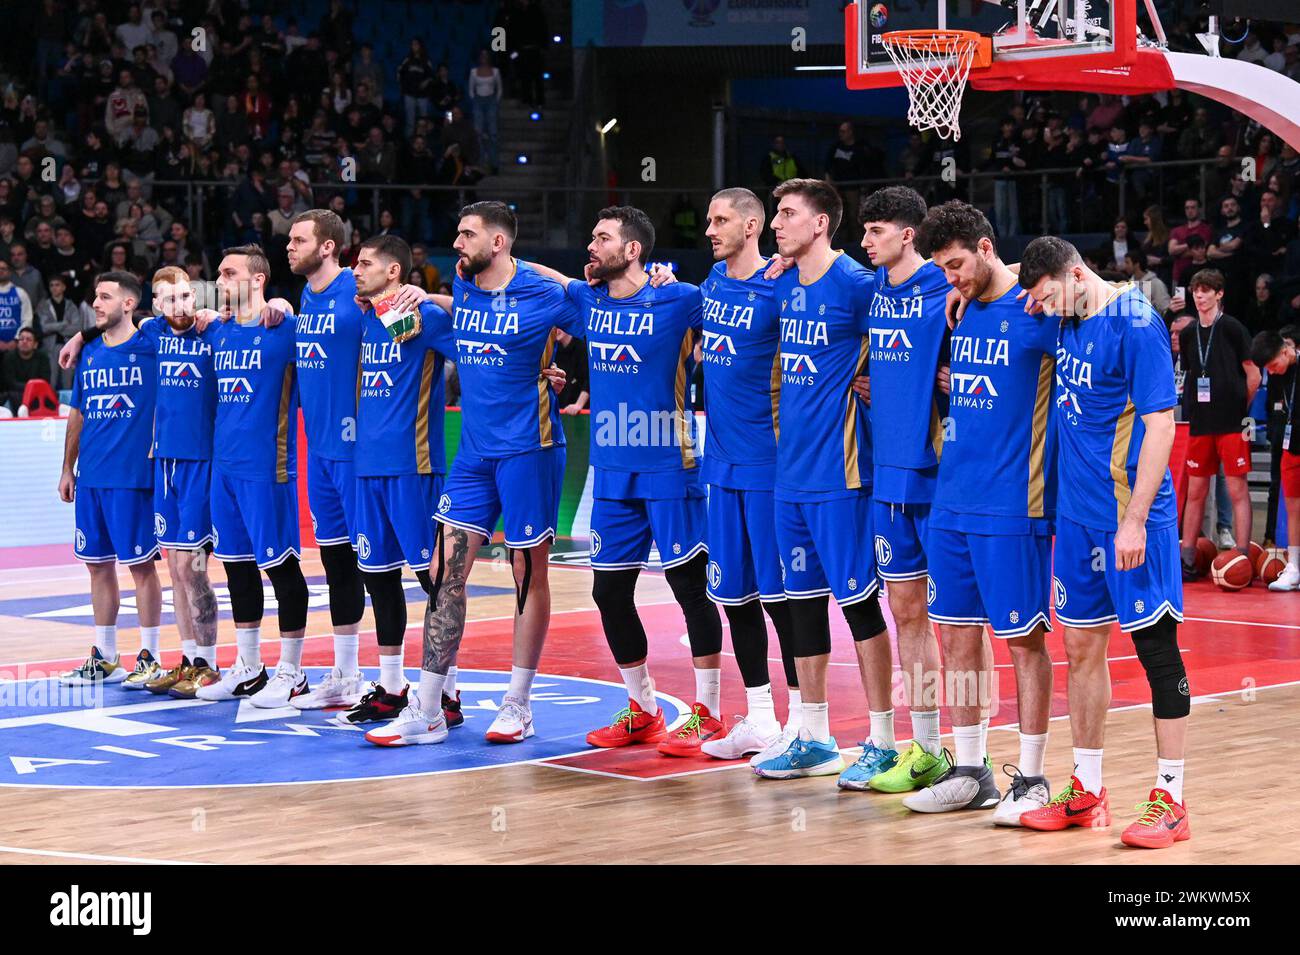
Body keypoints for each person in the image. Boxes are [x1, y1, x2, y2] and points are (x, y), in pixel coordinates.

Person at [364, 202, 578, 745]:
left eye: (467, 234)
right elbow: (369, 302)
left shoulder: (543, 293)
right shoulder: (460, 289)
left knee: (526, 575)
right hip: (474, 457)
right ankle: (431, 707)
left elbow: (603, 313)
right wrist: (415, 295)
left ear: (500, 242)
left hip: (531, 449)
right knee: (443, 574)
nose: (456, 243)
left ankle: (518, 704)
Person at [529, 207, 725, 752]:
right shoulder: (588, 302)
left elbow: (742, 322)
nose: (590, 245)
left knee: (690, 588)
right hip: (613, 476)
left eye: (602, 238)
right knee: (609, 591)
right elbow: (549, 278)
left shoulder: (680, 299)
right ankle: (642, 709)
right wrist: (503, 258)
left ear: (633, 250)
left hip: (671, 467)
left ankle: (708, 712)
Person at [1018, 237, 1190, 850]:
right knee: (1081, 649)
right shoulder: (1067, 311)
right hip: (1078, 519)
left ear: (1075, 274)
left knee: (1157, 654)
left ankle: (1171, 798)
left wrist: (1136, 520)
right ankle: (1087, 789)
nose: (1040, 310)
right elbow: (1014, 271)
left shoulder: (1135, 322)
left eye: (1045, 298)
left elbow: (1161, 426)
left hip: (1132, 518)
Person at [897, 201, 1057, 821]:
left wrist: (1013, 276)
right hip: (951, 501)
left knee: (1023, 643)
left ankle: (1035, 777)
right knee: (956, 637)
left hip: (1013, 506)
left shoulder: (1038, 308)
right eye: (942, 267)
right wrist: (965, 288)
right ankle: (971, 770)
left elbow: (1103, 299)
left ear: (988, 250)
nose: (950, 278)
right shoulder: (960, 308)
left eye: (958, 264)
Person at [751, 179, 891, 781]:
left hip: (842, 474)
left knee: (859, 607)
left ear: (821, 224)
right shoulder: (781, 283)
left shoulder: (860, 285)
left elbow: (906, 343)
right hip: (791, 478)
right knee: (802, 607)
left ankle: (883, 739)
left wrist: (877, 390)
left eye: (786, 214)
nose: (776, 224)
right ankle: (814, 734)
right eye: (775, 213)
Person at [840, 186, 954, 793]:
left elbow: (1007, 287)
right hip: (886, 478)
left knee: (959, 621)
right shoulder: (874, 291)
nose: (865, 242)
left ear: (908, 234)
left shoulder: (945, 283)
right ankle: (927, 748)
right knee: (906, 613)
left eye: (875, 231)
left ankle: (971, 756)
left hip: (939, 475)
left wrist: (958, 369)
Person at [691, 187, 801, 762]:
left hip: (770, 466)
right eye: (709, 220)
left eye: (721, 220)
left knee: (785, 599)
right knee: (736, 597)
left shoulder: (784, 283)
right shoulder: (710, 284)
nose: (710, 229)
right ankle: (760, 717)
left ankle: (804, 724)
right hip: (722, 467)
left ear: (753, 224)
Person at [331, 235, 457, 732]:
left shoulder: (426, 318)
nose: (355, 271)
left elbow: (480, 356)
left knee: (435, 583)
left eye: (365, 265)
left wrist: (541, 373)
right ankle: (390, 688)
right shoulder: (364, 317)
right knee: (379, 578)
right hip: (367, 468)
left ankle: (447, 693)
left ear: (395, 273)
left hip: (415, 468)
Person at [193, 246, 312, 707]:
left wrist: (286, 306)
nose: (220, 280)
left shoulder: (284, 329)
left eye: (229, 273)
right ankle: (248, 667)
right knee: (237, 568)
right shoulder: (217, 332)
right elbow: (162, 321)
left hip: (269, 468)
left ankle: (292, 671)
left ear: (258, 280)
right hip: (224, 469)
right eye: (219, 273)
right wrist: (81, 337)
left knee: (281, 566)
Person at [274, 210, 370, 711]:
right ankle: (346, 674)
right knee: (335, 562)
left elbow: (413, 333)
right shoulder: (303, 299)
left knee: (375, 565)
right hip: (322, 452)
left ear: (328, 246)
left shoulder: (359, 289)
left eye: (299, 239)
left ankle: (430, 684)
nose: (289, 247)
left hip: (360, 451)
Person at [58, 272, 163, 686]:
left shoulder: (151, 343)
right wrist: (68, 468)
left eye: (105, 297)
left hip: (133, 477)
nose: (96, 304)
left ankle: (150, 657)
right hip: (92, 478)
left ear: (128, 304)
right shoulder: (90, 353)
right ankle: (104, 657)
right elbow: (78, 413)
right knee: (97, 568)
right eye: (94, 297)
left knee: (141, 568)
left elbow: (182, 316)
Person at [1177, 269, 1258, 578]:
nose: (1199, 295)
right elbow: (1190, 377)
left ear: (1219, 294)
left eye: (1206, 290)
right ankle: (1186, 559)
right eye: (1196, 290)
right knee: (1195, 490)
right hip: (1200, 423)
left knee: (1237, 488)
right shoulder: (1187, 334)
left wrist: (1240, 408)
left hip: (1233, 423)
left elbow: (1252, 376)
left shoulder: (1234, 328)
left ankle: (1242, 555)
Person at [1250, 327, 1300, 588]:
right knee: (1293, 508)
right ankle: (1294, 567)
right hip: (1290, 446)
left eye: (1273, 364)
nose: (1272, 370)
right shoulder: (1279, 374)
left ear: (1286, 350)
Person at [1, 326, 50, 412]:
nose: (24, 342)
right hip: (14, 394)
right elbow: (9, 382)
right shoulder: (9, 357)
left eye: (28, 339)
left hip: (36, 394)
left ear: (35, 344)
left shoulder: (43, 358)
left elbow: (45, 380)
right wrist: (29, 387)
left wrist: (30, 389)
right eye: (21, 339)